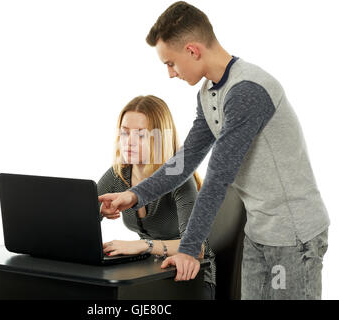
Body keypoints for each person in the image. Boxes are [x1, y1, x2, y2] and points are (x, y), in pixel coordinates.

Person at [98, 1, 330, 300]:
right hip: (259, 231)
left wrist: (189, 249)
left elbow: (217, 178)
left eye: (171, 63)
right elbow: (182, 163)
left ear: (193, 50)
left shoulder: (247, 90)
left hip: (292, 234)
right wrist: (133, 195)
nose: (170, 73)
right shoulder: (209, 94)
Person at [97, 94, 216, 299]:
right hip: (152, 272)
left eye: (141, 135)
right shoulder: (119, 174)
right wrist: (96, 213)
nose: (129, 143)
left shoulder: (179, 178)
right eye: (125, 133)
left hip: (194, 276)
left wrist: (142, 246)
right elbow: (78, 223)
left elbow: (197, 248)